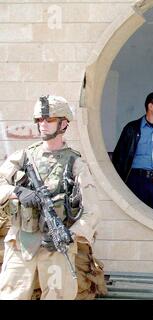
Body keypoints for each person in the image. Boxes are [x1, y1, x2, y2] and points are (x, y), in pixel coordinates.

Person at [0, 95, 99, 300]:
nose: (42, 124)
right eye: (39, 120)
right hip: (21, 242)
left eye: (48, 120)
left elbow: (92, 211)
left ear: (63, 124)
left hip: (56, 246)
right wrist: (16, 191)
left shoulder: (75, 164)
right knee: (11, 295)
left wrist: (70, 236)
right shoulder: (24, 157)